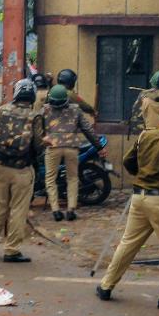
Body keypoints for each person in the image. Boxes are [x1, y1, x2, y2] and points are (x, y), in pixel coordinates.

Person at [96, 105, 159, 309]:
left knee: (128, 243)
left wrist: (142, 174)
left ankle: (106, 285)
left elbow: (127, 161)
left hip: (139, 198)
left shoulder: (145, 136)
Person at [0, 79, 45, 263]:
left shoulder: (1, 110)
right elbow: (39, 145)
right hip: (22, 169)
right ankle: (11, 250)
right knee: (18, 209)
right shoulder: (35, 116)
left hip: (2, 167)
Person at [41, 85, 105, 222]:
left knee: (50, 179)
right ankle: (71, 209)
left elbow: (37, 127)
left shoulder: (44, 110)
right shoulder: (75, 110)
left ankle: (56, 210)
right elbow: (87, 129)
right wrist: (99, 146)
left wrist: (41, 140)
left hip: (52, 147)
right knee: (72, 178)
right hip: (72, 147)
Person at [127, 70, 159, 135]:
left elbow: (135, 116)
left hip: (146, 132)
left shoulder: (144, 94)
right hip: (150, 132)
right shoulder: (147, 95)